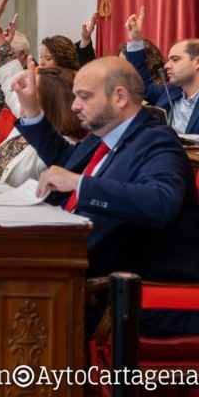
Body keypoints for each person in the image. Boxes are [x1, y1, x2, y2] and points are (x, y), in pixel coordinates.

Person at [11, 57, 199, 337]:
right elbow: (68, 162)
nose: (74, 105)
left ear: (120, 96)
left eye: (84, 96)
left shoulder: (157, 140)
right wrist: (32, 109)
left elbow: (161, 202)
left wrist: (81, 184)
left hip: (128, 294)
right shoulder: (104, 135)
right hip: (88, 272)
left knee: (9, 297)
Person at [0, 66, 84, 186]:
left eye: (32, 90)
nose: (24, 93)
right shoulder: (28, 125)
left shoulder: (61, 146)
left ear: (49, 102)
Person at [125, 7, 199, 135]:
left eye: (175, 60)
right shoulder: (171, 91)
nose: (166, 66)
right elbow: (143, 86)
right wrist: (136, 40)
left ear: (197, 62)